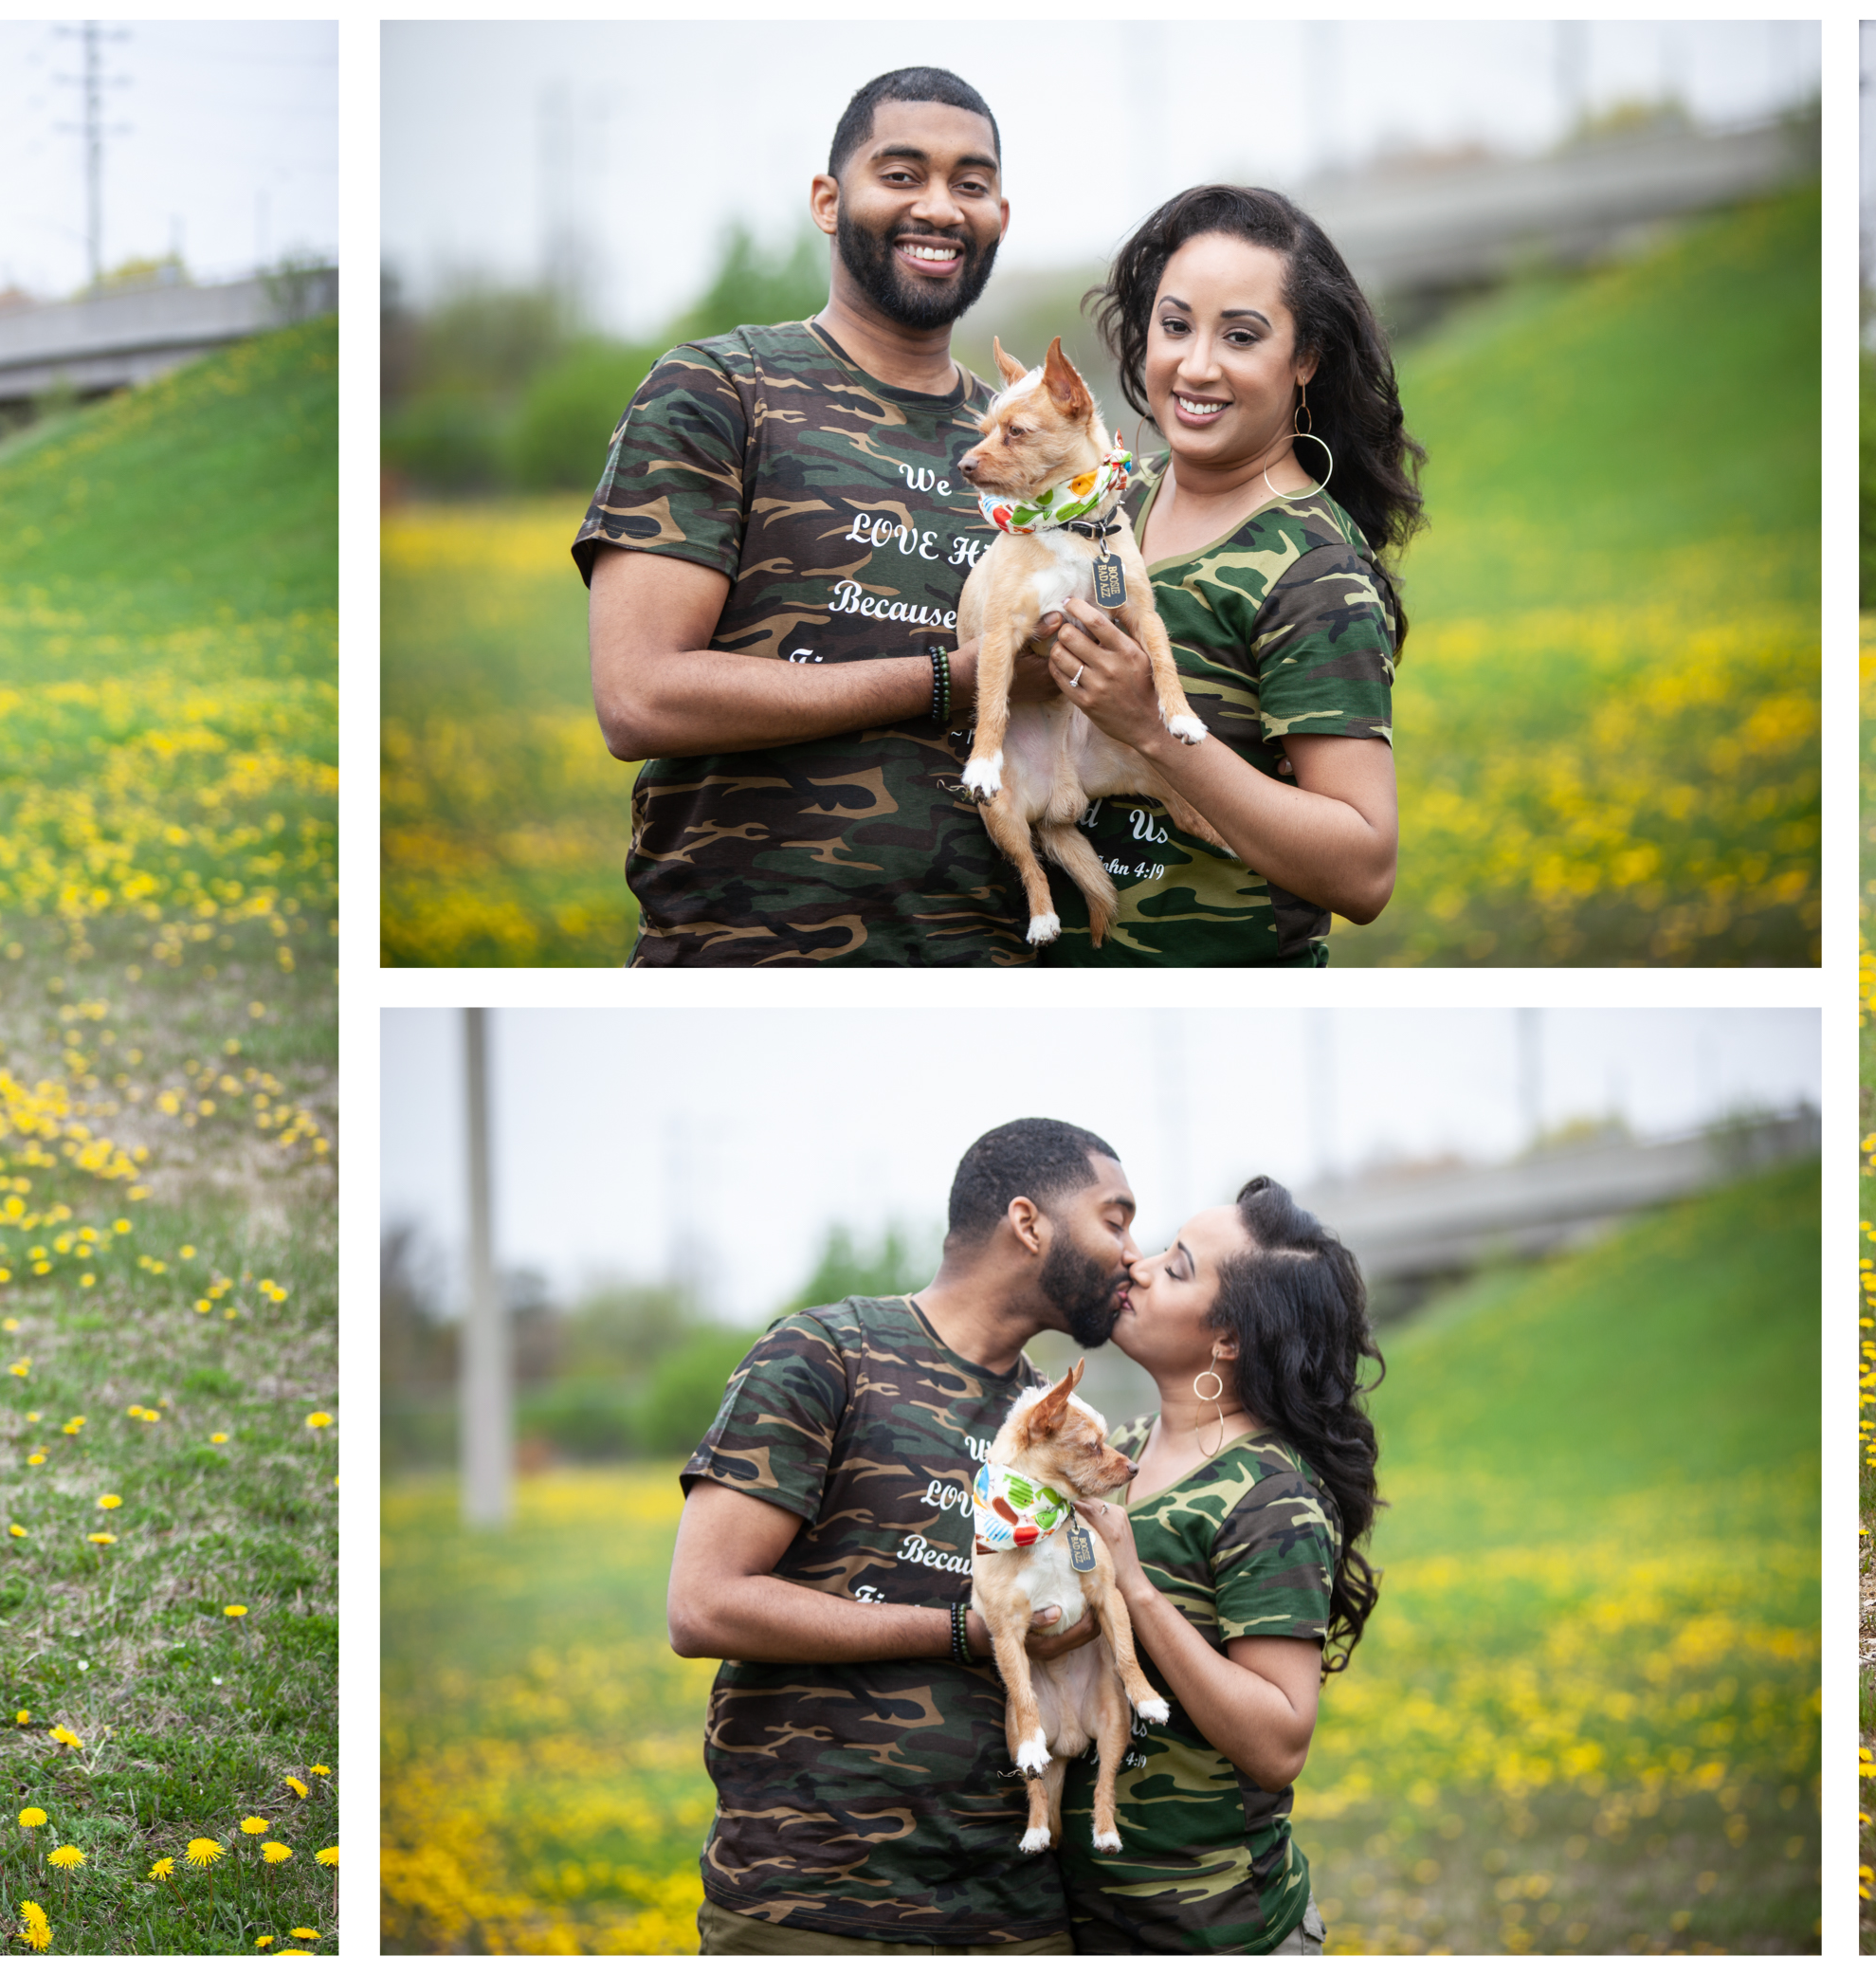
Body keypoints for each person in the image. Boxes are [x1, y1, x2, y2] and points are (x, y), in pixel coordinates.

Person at [577, 67, 1037, 964]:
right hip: (743, 958)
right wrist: (957, 677)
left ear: (1000, 219)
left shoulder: (1032, 447)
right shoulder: (719, 391)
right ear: (830, 201)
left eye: (970, 184)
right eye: (901, 175)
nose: (940, 208)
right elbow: (636, 698)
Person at [666, 1118, 1142, 1951]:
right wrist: (961, 1629)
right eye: (1115, 1217)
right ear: (1029, 1224)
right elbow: (704, 1606)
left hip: (1015, 1914)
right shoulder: (824, 1355)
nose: (1132, 1252)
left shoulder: (1054, 1421)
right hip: (815, 1908)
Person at [1037, 187, 1417, 966]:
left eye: (1241, 336)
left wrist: (1152, 725)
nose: (1196, 365)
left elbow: (1365, 868)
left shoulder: (1314, 570)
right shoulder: (1109, 501)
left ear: (1304, 357)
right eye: (1176, 326)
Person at [1058, 1178, 1379, 1953]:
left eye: (1176, 1267)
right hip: (1088, 1931)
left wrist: (1133, 1585)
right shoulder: (1119, 1448)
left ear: (1228, 1339)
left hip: (1219, 1937)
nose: (1137, 1265)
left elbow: (1278, 1743)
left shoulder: (1272, 1493)